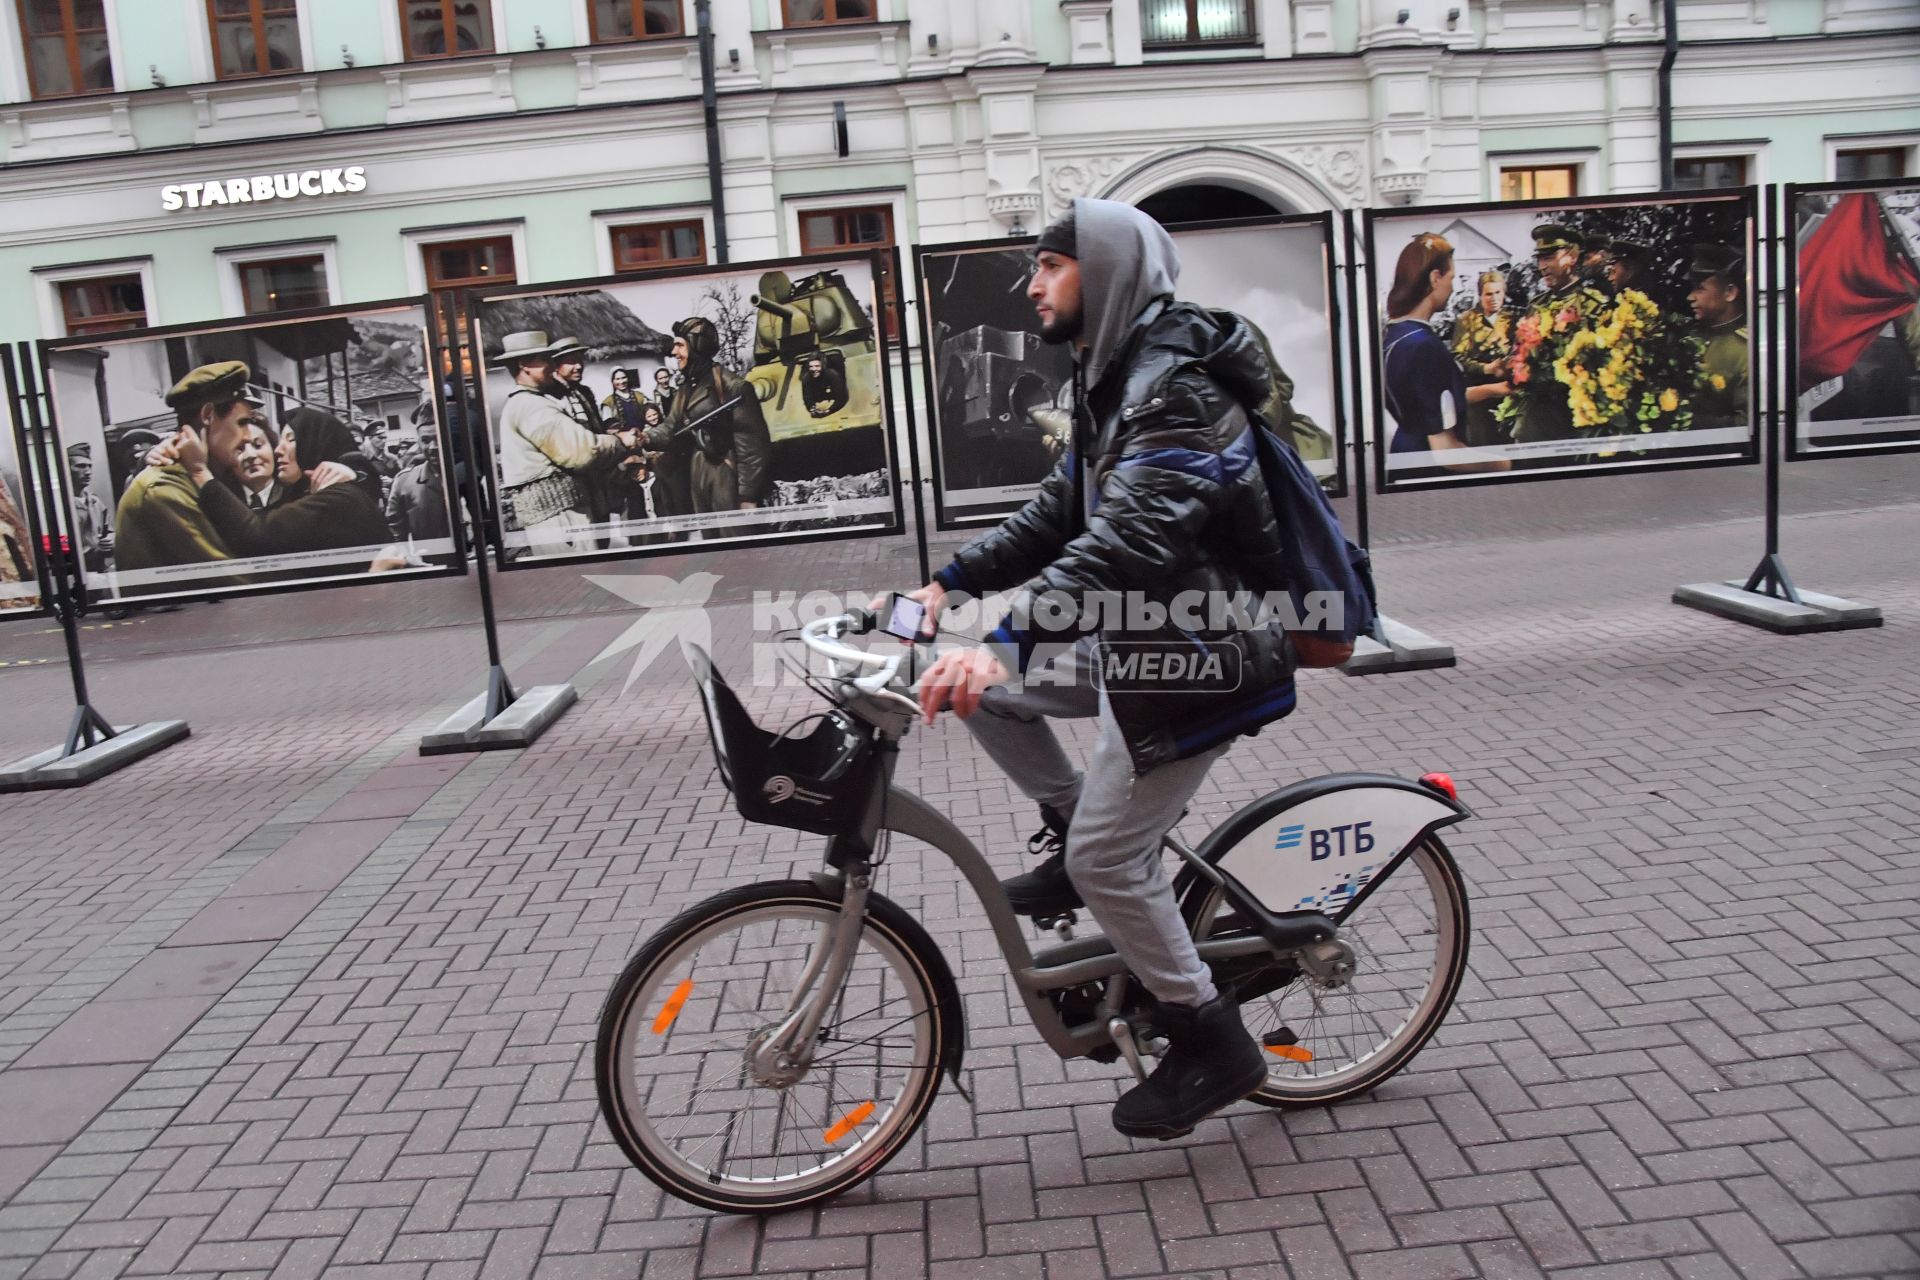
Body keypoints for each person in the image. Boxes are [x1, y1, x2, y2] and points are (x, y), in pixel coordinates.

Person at [904, 198, 1325, 1141]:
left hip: (1204, 657)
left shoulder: (1175, 390)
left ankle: (1208, 1036)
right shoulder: (1118, 379)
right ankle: (1069, 833)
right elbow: (1061, 516)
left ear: (1108, 272)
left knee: (1109, 856)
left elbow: (1129, 539)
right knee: (990, 699)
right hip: (1148, 639)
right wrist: (947, 586)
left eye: (1050, 265)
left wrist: (1001, 638)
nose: (1032, 284)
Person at [493, 330, 639, 556]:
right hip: (561, 520)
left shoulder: (530, 402)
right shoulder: (532, 406)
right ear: (524, 365)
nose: (552, 365)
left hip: (563, 514)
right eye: (544, 359)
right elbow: (583, 452)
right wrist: (620, 442)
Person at [112, 362, 256, 590]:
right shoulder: (164, 489)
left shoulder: (209, 477)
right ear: (208, 415)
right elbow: (236, 581)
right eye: (243, 423)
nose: (248, 437)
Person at [1381, 236, 1511, 471]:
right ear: (1435, 278)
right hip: (1428, 472)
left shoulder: (1395, 334)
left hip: (1404, 456)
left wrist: (1492, 390)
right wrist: (1509, 464)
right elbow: (1446, 452)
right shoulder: (1425, 347)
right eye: (1451, 278)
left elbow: (1427, 399)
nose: (1454, 287)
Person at [666, 316, 772, 532]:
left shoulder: (733, 386)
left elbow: (752, 444)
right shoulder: (686, 389)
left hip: (725, 472)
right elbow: (669, 426)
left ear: (697, 345)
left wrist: (747, 495)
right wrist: (642, 437)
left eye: (679, 345)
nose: (674, 352)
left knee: (736, 546)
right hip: (699, 471)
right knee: (712, 547)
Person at [1512, 223, 1610, 446]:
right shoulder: (1537, 305)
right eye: (1540, 259)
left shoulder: (1592, 305)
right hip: (1538, 415)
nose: (1542, 266)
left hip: (1576, 415)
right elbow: (1518, 354)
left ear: (1571, 257)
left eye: (1549, 258)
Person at [1449, 269, 1516, 449]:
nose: (1493, 298)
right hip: (1479, 394)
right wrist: (1486, 368)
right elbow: (1457, 358)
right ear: (1480, 295)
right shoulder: (1467, 320)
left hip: (1507, 391)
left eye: (1497, 292)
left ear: (1504, 293)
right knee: (1484, 444)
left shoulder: (1512, 318)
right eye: (1488, 294)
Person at [1688, 243, 1750, 430]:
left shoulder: (1745, 351)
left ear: (1729, 293)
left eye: (1700, 288)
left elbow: (1747, 427)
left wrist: (1689, 423)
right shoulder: (1693, 334)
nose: (1690, 297)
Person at [385, 407, 451, 544]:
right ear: (419, 442)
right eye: (426, 440)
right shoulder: (405, 482)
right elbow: (394, 534)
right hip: (431, 562)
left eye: (439, 438)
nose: (433, 447)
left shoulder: (473, 476)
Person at [66, 443, 113, 576]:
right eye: (80, 466)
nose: (88, 472)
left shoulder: (95, 502)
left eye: (89, 466)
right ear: (66, 469)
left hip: (101, 571)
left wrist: (110, 540)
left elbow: (108, 530)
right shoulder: (61, 505)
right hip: (76, 575)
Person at [800, 352, 850, 418]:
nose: (814, 369)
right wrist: (813, 409)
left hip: (834, 407)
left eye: (817, 366)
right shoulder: (807, 378)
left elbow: (841, 398)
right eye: (811, 367)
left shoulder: (833, 375)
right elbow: (807, 398)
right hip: (820, 402)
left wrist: (829, 411)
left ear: (823, 366)